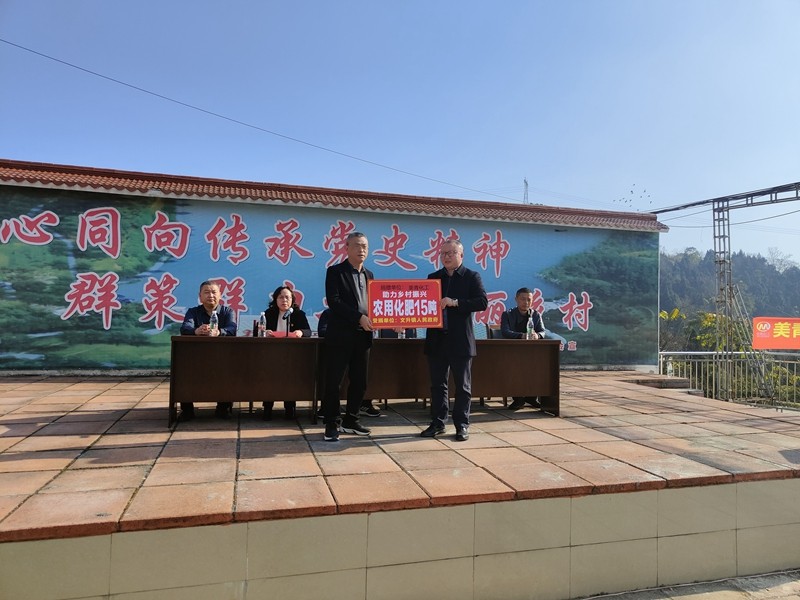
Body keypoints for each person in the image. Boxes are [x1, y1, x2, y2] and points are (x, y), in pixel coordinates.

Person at [421, 239, 488, 441]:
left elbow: (482, 302)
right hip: (437, 339)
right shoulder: (433, 278)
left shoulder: (471, 276)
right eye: (443, 253)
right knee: (438, 385)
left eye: (451, 253)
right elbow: (423, 306)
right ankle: (438, 423)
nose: (447, 257)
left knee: (463, 386)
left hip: (460, 340)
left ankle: (462, 425)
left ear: (461, 255)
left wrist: (456, 303)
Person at [320, 232, 374, 441]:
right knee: (334, 381)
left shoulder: (369, 274)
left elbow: (375, 305)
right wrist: (358, 317)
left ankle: (352, 419)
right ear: (346, 248)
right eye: (357, 245)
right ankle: (332, 423)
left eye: (365, 246)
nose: (362, 250)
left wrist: (388, 320)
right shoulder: (335, 272)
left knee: (360, 381)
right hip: (340, 335)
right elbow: (334, 302)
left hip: (363, 336)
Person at [178, 280, 237, 422]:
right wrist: (196, 331)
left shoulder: (227, 311)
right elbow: (185, 328)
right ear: (200, 296)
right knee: (184, 372)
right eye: (206, 292)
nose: (210, 295)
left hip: (222, 356)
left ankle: (223, 408)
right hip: (196, 356)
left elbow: (232, 328)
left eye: (214, 292)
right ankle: (187, 410)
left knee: (228, 371)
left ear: (220, 295)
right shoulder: (193, 312)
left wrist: (219, 332)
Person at [261, 285, 312, 420]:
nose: (284, 300)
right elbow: (258, 331)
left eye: (287, 297)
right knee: (269, 378)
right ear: (275, 300)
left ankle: (290, 408)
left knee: (291, 378)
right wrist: (265, 332)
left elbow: (308, 331)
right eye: (281, 297)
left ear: (292, 300)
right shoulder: (269, 313)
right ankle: (267, 407)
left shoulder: (298, 314)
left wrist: (300, 332)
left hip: (292, 355)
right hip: (271, 354)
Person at [501, 287, 547, 410]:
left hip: (531, 352)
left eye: (529, 299)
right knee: (515, 367)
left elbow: (542, 331)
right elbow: (505, 332)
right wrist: (521, 336)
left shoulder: (535, 314)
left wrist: (538, 335)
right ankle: (518, 399)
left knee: (539, 366)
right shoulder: (507, 314)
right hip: (512, 352)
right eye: (522, 299)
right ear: (516, 299)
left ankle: (532, 397)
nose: (526, 302)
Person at [359, 327, 418, 417]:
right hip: (368, 336)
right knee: (371, 370)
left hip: (390, 333)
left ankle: (364, 403)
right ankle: (363, 403)